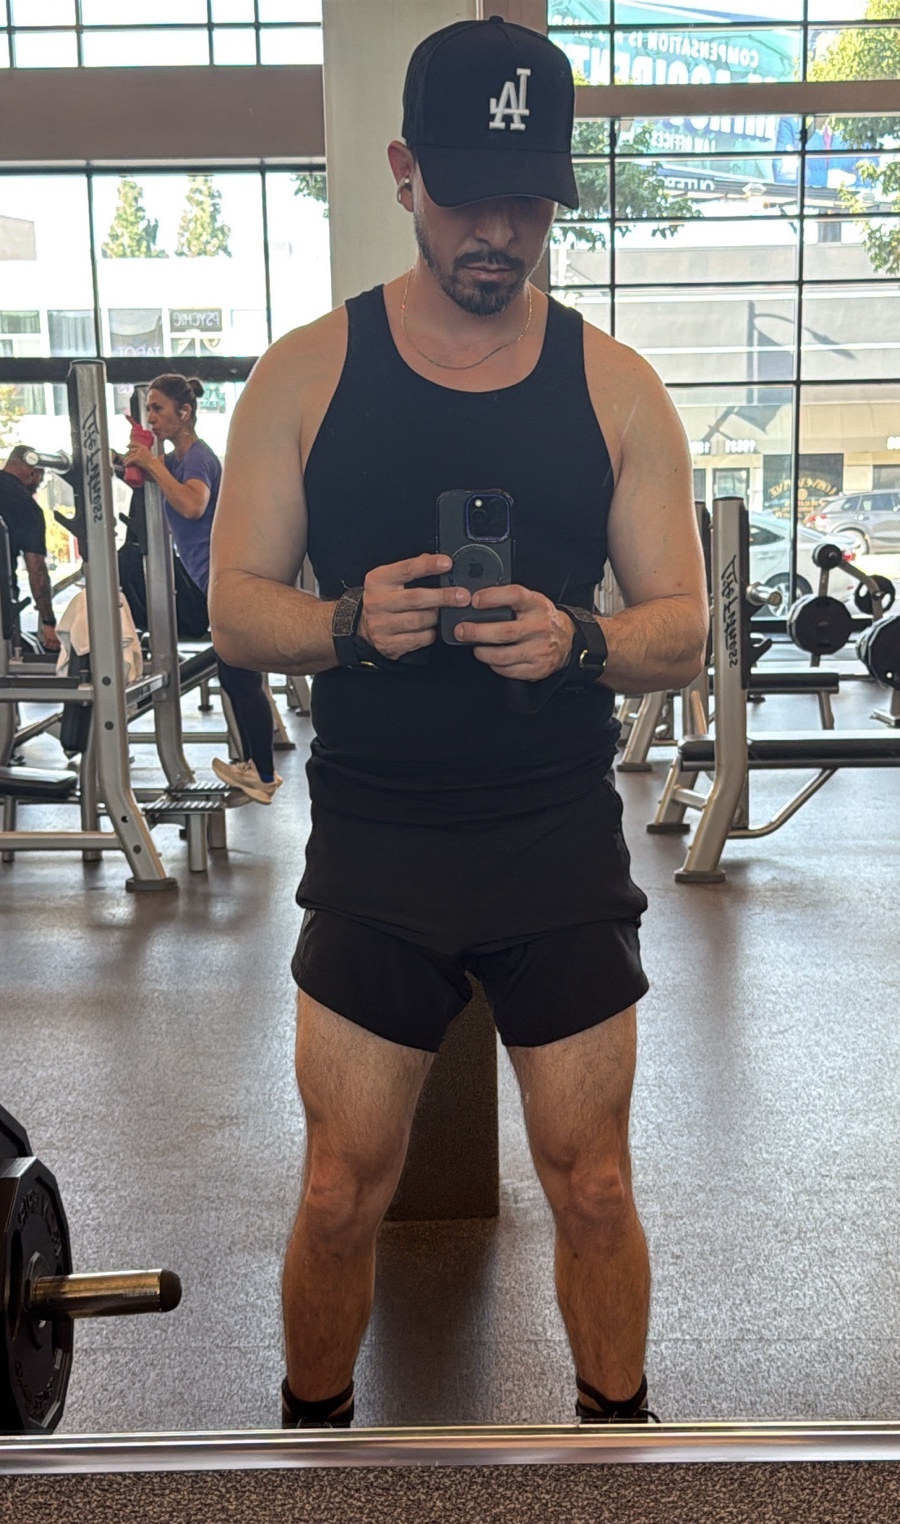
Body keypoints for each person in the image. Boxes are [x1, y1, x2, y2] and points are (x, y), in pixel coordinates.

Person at [209, 16, 708, 1428]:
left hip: (552, 838)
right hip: (380, 840)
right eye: (472, 190)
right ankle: (312, 1442)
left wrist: (585, 639)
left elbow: (687, 625)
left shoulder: (617, 388)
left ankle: (618, 1445)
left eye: (531, 197)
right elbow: (237, 611)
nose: (501, 228)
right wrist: (348, 623)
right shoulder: (306, 375)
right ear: (403, 171)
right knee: (338, 1184)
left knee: (594, 1183)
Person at [123, 374, 281, 805]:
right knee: (236, 677)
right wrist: (138, 457)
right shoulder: (175, 460)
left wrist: (152, 463)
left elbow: (193, 504)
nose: (152, 417)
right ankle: (258, 769)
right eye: (148, 410)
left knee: (240, 677)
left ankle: (263, 775)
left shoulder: (196, 459)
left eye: (158, 409)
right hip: (213, 578)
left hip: (228, 577)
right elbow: (149, 485)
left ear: (184, 413)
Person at [0, 445, 60, 652]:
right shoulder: (28, 506)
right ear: (32, 472)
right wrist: (49, 623)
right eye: (41, 478)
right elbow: (36, 569)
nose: (39, 484)